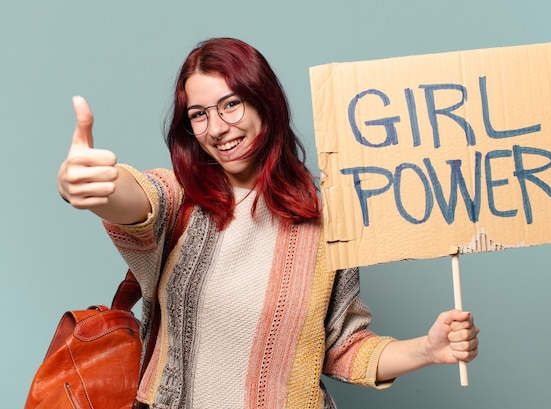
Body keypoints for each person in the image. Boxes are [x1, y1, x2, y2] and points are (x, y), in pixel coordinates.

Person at [57, 37, 479, 408]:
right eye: (199, 114)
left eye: (231, 104)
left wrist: (426, 350)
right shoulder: (181, 199)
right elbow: (137, 199)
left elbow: (341, 348)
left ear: (265, 101)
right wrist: (99, 186)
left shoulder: (327, 219)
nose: (217, 128)